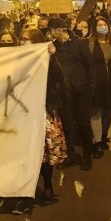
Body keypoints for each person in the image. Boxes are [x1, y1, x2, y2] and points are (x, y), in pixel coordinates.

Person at [12, 28, 66, 215]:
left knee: (43, 154)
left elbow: (59, 77)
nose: (22, 42)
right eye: (21, 39)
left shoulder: (49, 59)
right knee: (25, 156)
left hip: (43, 112)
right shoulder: (16, 59)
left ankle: (48, 184)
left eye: (26, 39)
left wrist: (51, 57)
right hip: (22, 113)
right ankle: (25, 195)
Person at [47, 17, 95, 170]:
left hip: (81, 91)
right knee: (68, 125)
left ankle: (88, 154)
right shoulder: (53, 47)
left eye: (52, 30)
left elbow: (90, 66)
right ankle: (71, 156)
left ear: (61, 30)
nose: (50, 33)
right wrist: (53, 53)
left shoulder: (80, 44)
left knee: (83, 124)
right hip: (63, 93)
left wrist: (90, 88)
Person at [87, 17, 111, 156]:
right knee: (96, 112)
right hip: (96, 84)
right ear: (94, 28)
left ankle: (103, 136)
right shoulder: (89, 43)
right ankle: (97, 142)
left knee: (108, 112)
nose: (102, 27)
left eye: (104, 24)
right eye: (99, 25)